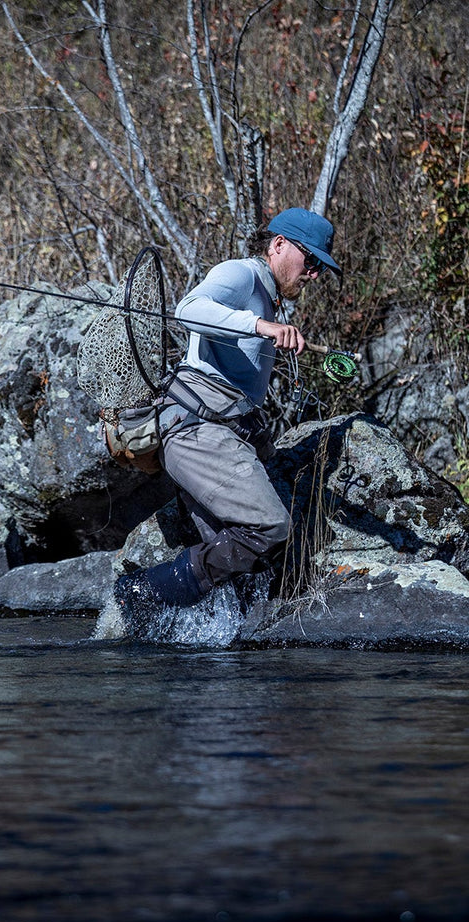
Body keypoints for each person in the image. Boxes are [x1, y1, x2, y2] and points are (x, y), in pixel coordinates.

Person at [114, 207, 342, 626]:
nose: (314, 274)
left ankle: (173, 629)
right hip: (196, 433)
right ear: (278, 245)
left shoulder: (270, 297)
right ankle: (142, 593)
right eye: (311, 260)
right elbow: (189, 309)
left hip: (214, 435)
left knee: (243, 564)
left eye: (320, 268)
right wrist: (260, 326)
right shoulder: (241, 274)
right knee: (270, 527)